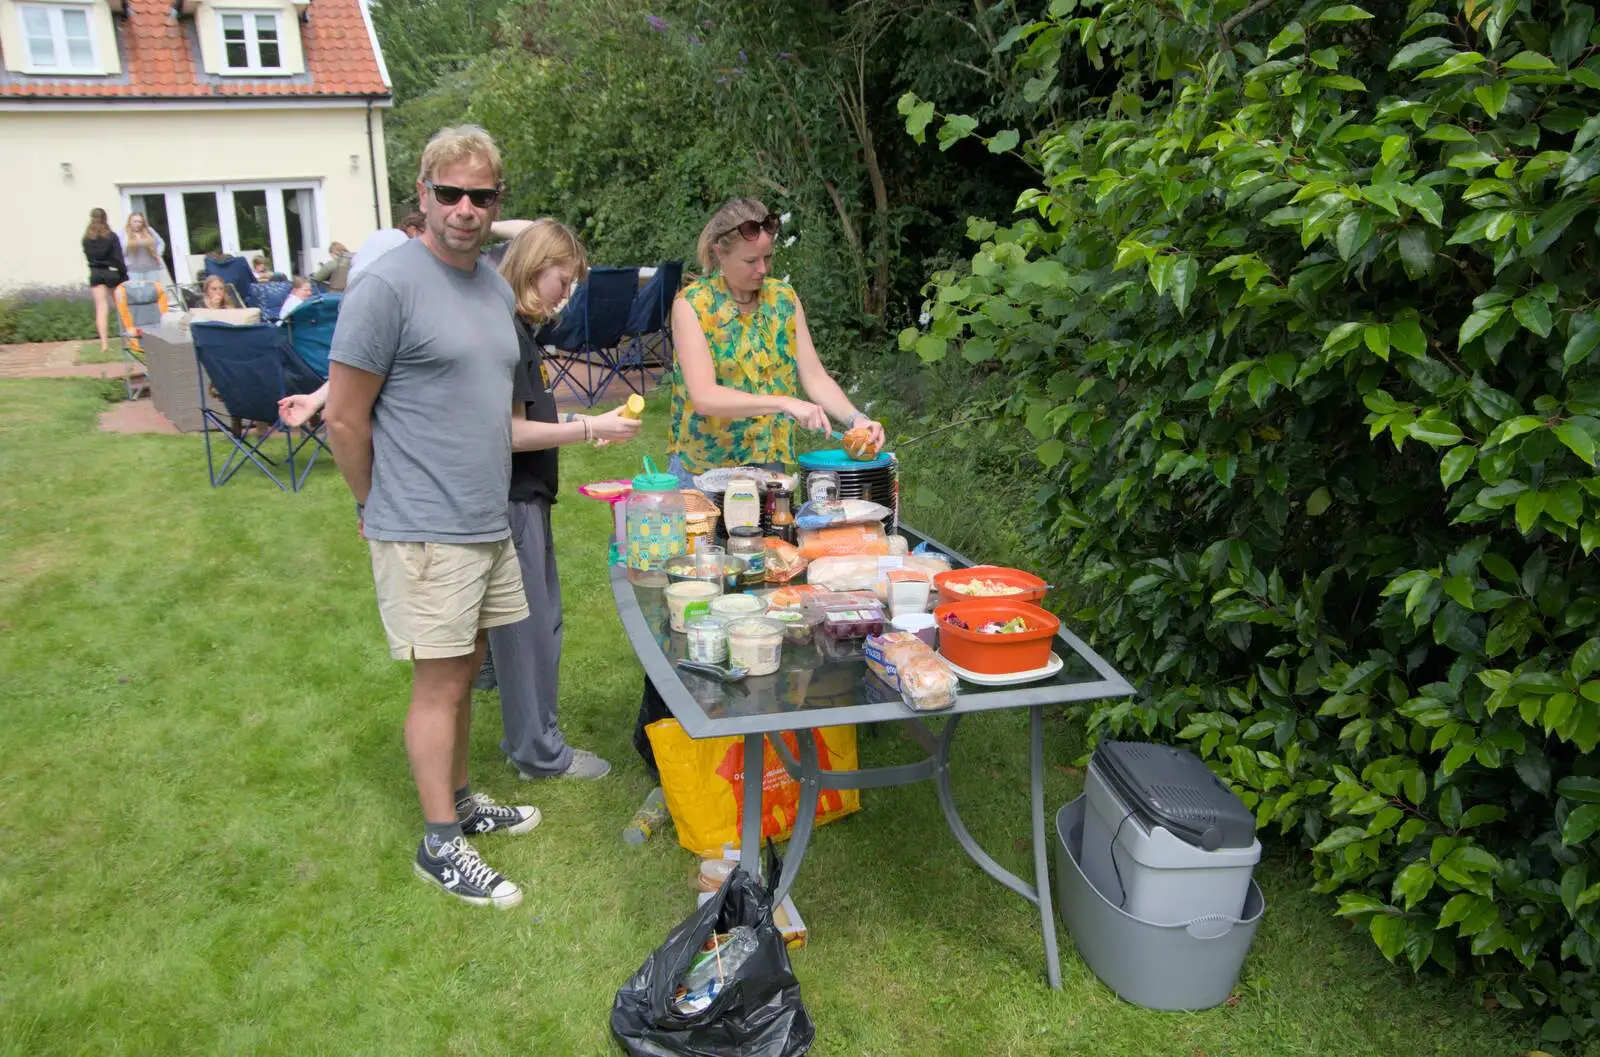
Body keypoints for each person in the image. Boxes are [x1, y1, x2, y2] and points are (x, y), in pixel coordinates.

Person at [624, 196, 887, 839]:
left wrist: (856, 418)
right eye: (750, 260)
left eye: (769, 257)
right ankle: (667, 766)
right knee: (689, 618)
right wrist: (782, 402)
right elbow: (708, 397)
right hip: (705, 489)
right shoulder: (693, 306)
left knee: (771, 606)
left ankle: (761, 750)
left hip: (769, 485)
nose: (762, 269)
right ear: (718, 251)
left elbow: (814, 375)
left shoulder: (783, 300)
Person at [324, 124, 537, 909]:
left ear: (496, 203)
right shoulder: (387, 285)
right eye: (449, 193)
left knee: (468, 660)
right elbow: (345, 418)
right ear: (422, 195)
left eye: (481, 196)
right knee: (440, 682)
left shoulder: (488, 284)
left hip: (483, 516)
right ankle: (439, 844)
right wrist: (370, 502)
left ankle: (462, 798)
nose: (464, 209)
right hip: (422, 521)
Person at [492, 220, 642, 782]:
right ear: (535, 269)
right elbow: (508, 432)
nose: (569, 291)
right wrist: (584, 430)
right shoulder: (505, 332)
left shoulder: (515, 327)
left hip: (526, 498)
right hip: (512, 500)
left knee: (538, 624)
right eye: (565, 277)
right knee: (530, 631)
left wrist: (582, 421)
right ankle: (538, 754)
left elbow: (531, 415)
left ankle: (533, 737)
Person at [82, 207, 125, 356]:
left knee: (101, 308)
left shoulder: (86, 239)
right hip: (111, 272)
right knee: (121, 305)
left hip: (95, 273)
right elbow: (118, 258)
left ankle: (104, 344)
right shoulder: (111, 237)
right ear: (105, 218)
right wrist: (123, 275)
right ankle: (129, 338)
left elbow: (88, 258)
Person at [349, 212, 428, 278]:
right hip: (371, 282)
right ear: (412, 230)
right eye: (423, 233)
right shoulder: (402, 240)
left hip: (354, 280)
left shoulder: (384, 233)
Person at [122, 213, 167, 285]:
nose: (138, 224)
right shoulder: (123, 233)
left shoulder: (149, 230)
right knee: (137, 292)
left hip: (151, 268)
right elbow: (120, 250)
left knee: (151, 291)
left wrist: (158, 254)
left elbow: (160, 242)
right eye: (135, 221)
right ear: (129, 222)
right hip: (133, 269)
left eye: (140, 221)